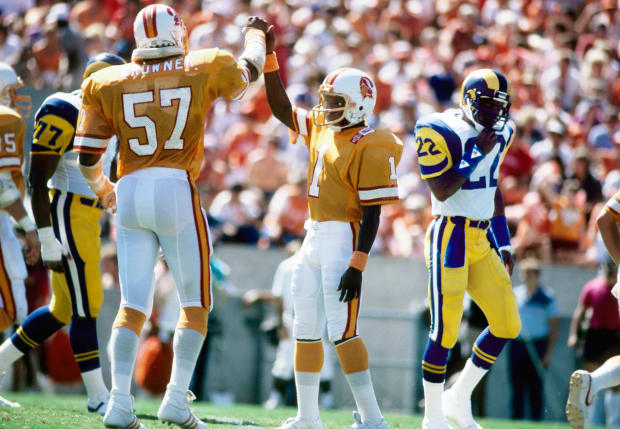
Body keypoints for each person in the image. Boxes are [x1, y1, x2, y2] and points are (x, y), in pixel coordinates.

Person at [74, 5, 269, 429]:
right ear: (178, 34)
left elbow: (87, 156)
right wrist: (256, 37)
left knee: (132, 305)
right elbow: (249, 74)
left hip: (129, 188)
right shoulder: (204, 63)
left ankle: (119, 402)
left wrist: (104, 190)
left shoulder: (105, 80)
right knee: (196, 303)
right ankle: (176, 398)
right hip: (176, 187)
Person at [263, 26, 403, 429]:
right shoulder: (322, 127)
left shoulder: (372, 142)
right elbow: (281, 108)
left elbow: (373, 213)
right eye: (325, 100)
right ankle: (308, 417)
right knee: (304, 328)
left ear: (359, 105)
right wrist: (270, 58)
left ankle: (373, 420)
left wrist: (357, 264)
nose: (325, 107)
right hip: (313, 235)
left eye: (335, 101)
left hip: (344, 237)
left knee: (343, 331)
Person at [0, 53, 125, 415]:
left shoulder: (108, 114)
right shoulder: (65, 108)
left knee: (61, 310)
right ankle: (98, 395)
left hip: (88, 216)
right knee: (88, 305)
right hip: (67, 211)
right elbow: (37, 178)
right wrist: (45, 237)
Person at [414, 68, 521, 429]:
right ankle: (432, 417)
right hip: (449, 235)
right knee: (445, 331)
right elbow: (441, 189)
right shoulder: (439, 128)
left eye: (499, 106)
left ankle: (458, 397)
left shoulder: (503, 132)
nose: (493, 112)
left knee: (507, 323)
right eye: (486, 104)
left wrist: (503, 241)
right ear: (467, 99)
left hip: (481, 238)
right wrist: (474, 152)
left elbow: (492, 186)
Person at [0, 62, 39, 408]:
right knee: (15, 307)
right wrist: (29, 227)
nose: (16, 97)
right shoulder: (7, 120)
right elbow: (2, 187)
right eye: (11, 90)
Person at [567, 258, 620, 428]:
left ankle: (614, 422)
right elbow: (580, 311)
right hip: (595, 335)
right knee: (593, 376)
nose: (610, 270)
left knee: (614, 385)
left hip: (614, 334)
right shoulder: (592, 287)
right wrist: (573, 334)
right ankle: (592, 422)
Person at [508, 258, 559, 421]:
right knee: (516, 385)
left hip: (538, 345)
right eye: (525, 274)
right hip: (517, 345)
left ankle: (535, 421)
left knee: (535, 386)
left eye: (532, 274)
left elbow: (554, 326)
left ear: (538, 276)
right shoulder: (515, 294)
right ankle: (515, 421)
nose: (529, 277)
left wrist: (548, 354)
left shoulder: (547, 297)